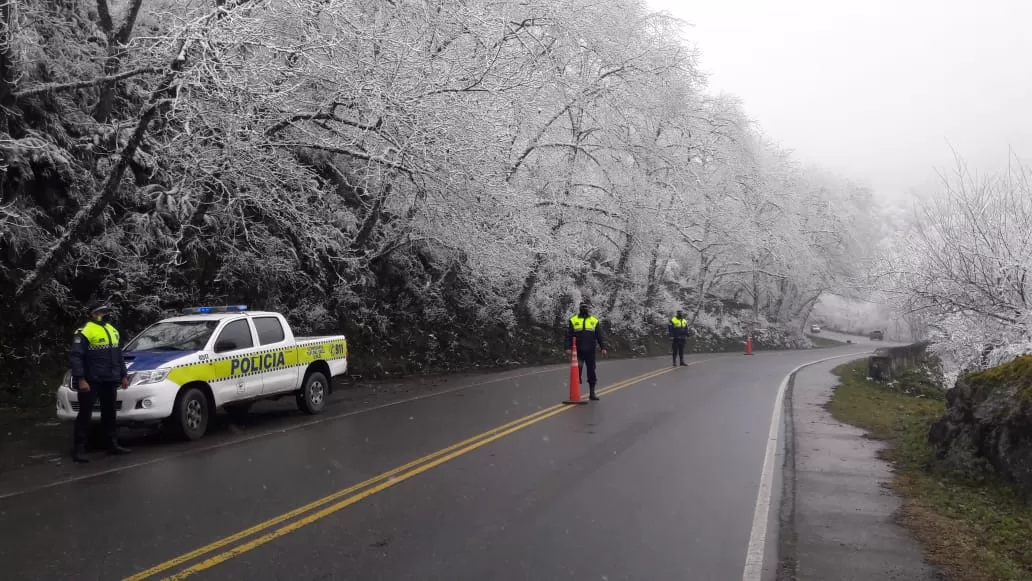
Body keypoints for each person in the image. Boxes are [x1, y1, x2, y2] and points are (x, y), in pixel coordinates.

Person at [69, 303, 130, 462]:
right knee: (85, 415)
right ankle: (79, 449)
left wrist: (123, 375)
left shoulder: (112, 330)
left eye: (106, 311)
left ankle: (111, 444)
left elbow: (118, 355)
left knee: (110, 413)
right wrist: (80, 379)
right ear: (93, 313)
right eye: (101, 312)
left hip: (110, 379)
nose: (105, 314)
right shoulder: (84, 332)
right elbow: (76, 357)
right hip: (91, 380)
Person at [565, 301, 608, 401]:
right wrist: (567, 347)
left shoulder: (594, 321)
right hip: (578, 352)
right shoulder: (573, 320)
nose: (584, 308)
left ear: (589, 308)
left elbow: (599, 335)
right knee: (577, 372)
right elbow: (568, 335)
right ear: (579, 308)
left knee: (591, 371)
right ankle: (576, 393)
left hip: (590, 351)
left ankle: (592, 393)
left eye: (586, 307)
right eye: (582, 307)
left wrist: (603, 347)